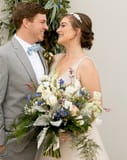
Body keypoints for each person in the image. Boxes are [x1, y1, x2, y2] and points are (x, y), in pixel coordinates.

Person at [38, 12, 110, 160]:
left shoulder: (85, 65)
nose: (58, 30)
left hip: (78, 145)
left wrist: (71, 126)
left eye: (63, 25)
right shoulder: (55, 59)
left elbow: (96, 106)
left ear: (77, 31)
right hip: (54, 141)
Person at [0, 2, 49, 159]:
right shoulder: (3, 56)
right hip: (12, 147)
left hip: (40, 145)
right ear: (26, 23)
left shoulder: (41, 54)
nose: (46, 27)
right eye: (42, 22)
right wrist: (0, 145)